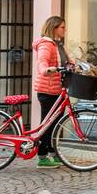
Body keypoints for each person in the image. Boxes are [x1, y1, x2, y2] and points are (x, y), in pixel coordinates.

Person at [32, 16, 73, 168]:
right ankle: (42, 157)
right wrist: (45, 70)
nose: (65, 30)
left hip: (59, 89)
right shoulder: (46, 44)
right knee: (47, 124)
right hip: (48, 90)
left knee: (55, 123)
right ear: (54, 28)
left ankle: (52, 153)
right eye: (62, 27)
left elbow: (68, 61)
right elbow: (42, 61)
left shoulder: (58, 45)